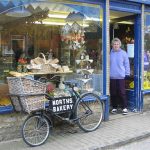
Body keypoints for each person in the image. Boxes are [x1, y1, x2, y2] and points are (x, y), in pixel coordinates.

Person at [110, 38, 130, 115]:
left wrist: (127, 74)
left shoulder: (124, 53)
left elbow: (126, 64)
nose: (116, 45)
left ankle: (124, 107)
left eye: (117, 44)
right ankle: (114, 107)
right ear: (112, 45)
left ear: (120, 45)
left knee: (122, 93)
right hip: (112, 77)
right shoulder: (110, 53)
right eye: (114, 44)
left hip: (121, 76)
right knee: (113, 93)